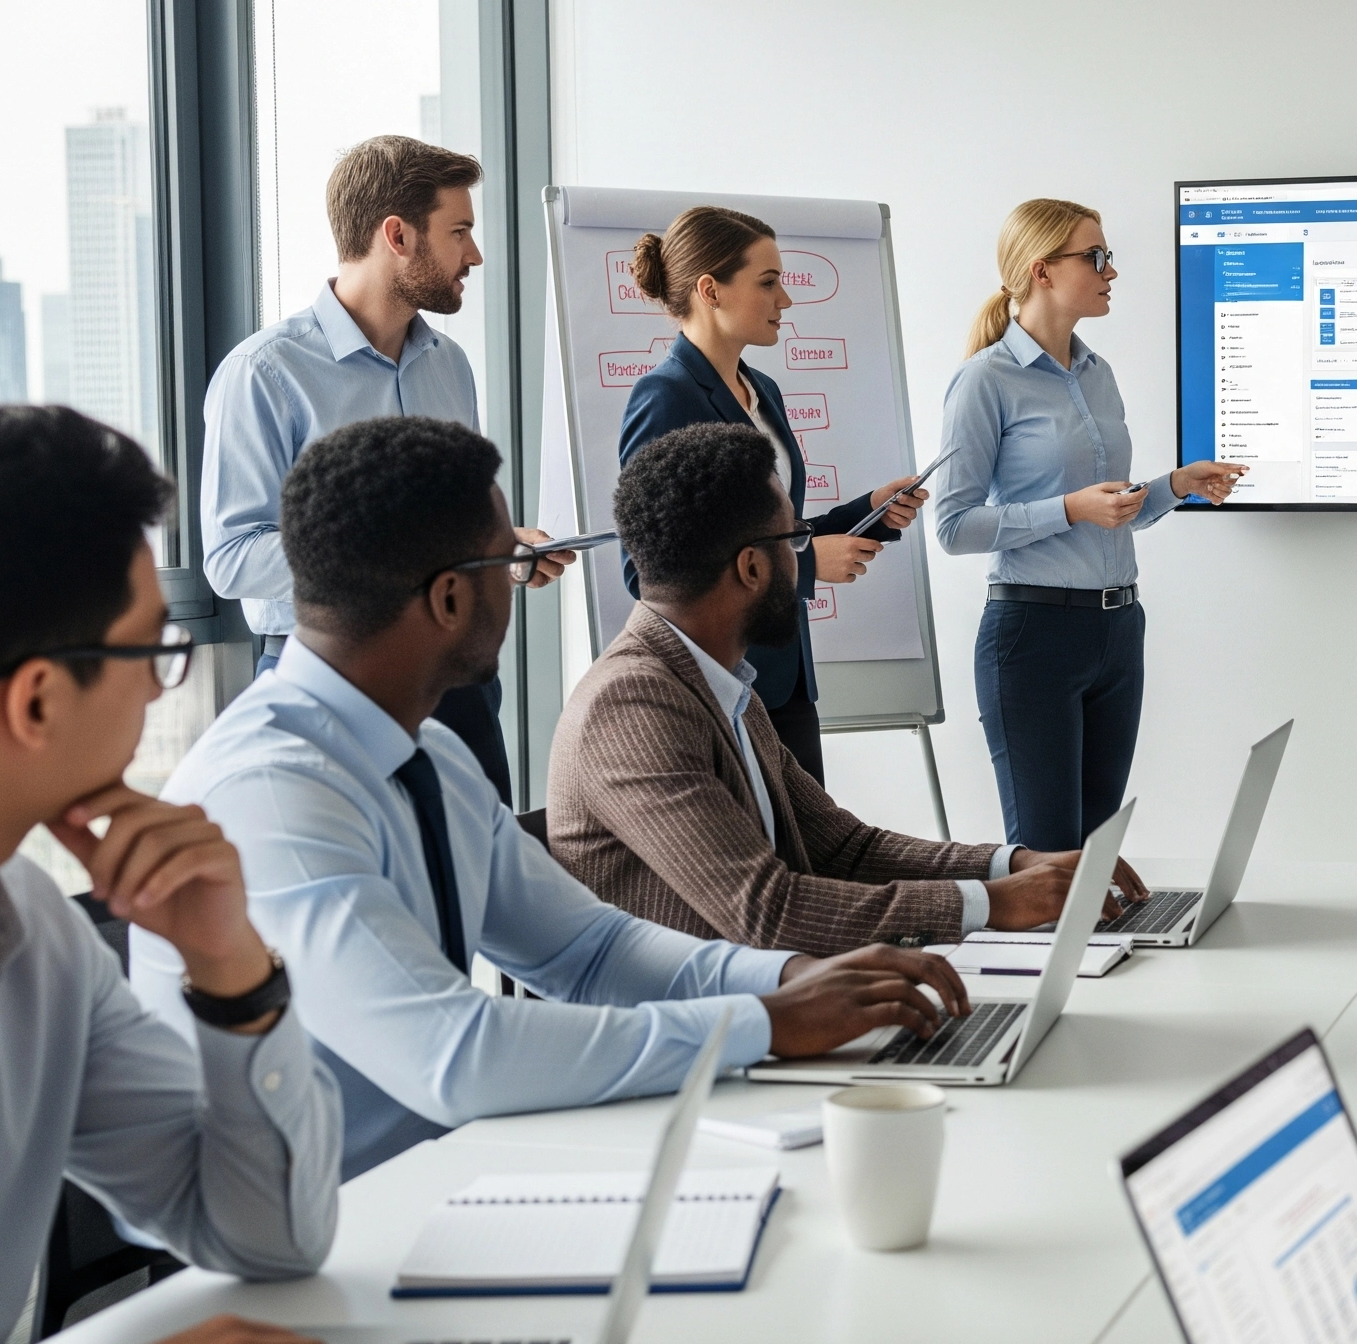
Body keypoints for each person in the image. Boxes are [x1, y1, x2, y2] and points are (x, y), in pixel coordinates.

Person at [135, 418, 969, 1181]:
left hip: (452, 1176)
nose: (520, 587)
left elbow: (590, 951)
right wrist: (762, 1022)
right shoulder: (272, 794)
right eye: (508, 564)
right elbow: (455, 1055)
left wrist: (796, 978)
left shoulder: (427, 754)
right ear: (451, 597)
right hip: (340, 1232)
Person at [0, 404, 356, 1344]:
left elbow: (265, 1238)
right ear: (38, 699)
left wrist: (229, 967)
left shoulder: (37, 946)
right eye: (152, 651)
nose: (164, 693)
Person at [551, 422, 1150, 952]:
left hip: (766, 1007)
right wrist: (995, 905)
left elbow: (845, 850)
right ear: (751, 568)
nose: (803, 561)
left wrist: (1014, 866)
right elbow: (767, 911)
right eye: (796, 541)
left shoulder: (722, 683)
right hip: (695, 1049)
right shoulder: (630, 706)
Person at [202, 135, 570, 805]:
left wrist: (499, 549)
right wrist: (398, 557)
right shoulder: (266, 374)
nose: (475, 254)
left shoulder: (448, 365)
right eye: (459, 231)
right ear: (396, 235)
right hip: (328, 682)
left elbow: (445, 526)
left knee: (485, 893)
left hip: (457, 680)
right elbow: (231, 559)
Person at [930, 199, 1247, 850]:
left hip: (1118, 630)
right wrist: (1071, 507)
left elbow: (1112, 511)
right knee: (1048, 862)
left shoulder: (1096, 376)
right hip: (1034, 635)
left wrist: (1174, 487)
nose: (1112, 271)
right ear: (1042, 271)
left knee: (1097, 858)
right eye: (1096, 256)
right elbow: (954, 527)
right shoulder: (984, 381)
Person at [616, 205, 928, 785]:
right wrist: (805, 567)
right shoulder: (665, 398)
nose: (785, 300)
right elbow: (648, 569)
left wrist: (869, 513)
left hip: (785, 679)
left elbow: (775, 527)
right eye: (768, 282)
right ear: (711, 290)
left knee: (810, 853)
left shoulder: (763, 389)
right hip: (719, 683)